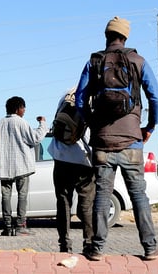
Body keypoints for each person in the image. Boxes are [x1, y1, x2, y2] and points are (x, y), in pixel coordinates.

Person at [75, 16, 158, 261]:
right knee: (138, 195)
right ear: (125, 36)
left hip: (102, 142)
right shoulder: (138, 61)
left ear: (107, 35)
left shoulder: (94, 62)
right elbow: (155, 98)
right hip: (132, 140)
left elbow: (80, 100)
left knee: (102, 194)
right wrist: (149, 127)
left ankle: (97, 249)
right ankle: (150, 248)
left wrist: (93, 124)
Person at [0, 96, 49, 236]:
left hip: (4, 167)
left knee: (5, 196)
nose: (24, 111)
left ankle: (7, 226)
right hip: (22, 165)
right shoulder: (21, 122)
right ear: (18, 109)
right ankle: (21, 226)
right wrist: (42, 124)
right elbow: (35, 139)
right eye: (23, 108)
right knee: (22, 195)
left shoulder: (0, 123)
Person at [48, 89, 95, 254]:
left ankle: (64, 244)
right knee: (86, 203)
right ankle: (89, 243)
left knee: (63, 202)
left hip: (61, 155)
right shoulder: (94, 97)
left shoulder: (67, 95)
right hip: (83, 159)